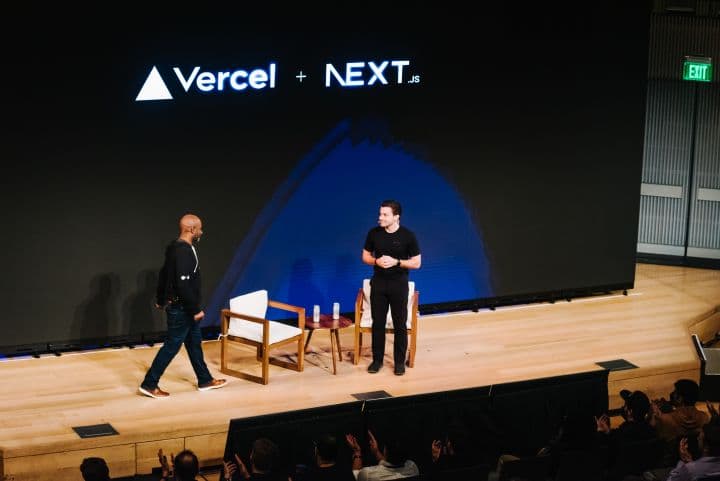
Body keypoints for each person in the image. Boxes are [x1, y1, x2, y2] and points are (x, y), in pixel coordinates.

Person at [139, 213, 227, 398]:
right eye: (199, 228)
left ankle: (205, 380)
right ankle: (149, 383)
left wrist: (160, 298)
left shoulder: (175, 247)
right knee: (172, 345)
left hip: (181, 307)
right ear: (191, 229)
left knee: (194, 343)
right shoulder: (183, 251)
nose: (201, 231)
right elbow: (182, 284)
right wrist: (195, 309)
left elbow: (165, 274)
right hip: (183, 309)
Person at [361, 200, 421, 376]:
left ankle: (399, 363)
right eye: (380, 214)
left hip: (398, 284)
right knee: (377, 323)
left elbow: (417, 263)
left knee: (399, 324)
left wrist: (397, 262)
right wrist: (376, 261)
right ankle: (377, 360)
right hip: (378, 283)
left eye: (385, 215)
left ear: (396, 217)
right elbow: (365, 256)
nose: (380, 217)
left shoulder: (408, 236)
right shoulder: (374, 233)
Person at [346, 430, 419, 481]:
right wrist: (376, 451)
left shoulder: (368, 474)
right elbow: (390, 465)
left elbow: (356, 474)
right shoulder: (412, 467)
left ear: (385, 451)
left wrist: (357, 452)